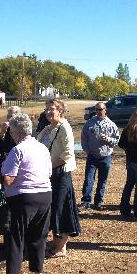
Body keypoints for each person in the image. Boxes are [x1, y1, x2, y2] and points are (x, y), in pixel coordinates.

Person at [0, 113, 52, 274]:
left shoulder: (18, 149)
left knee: (17, 237)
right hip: (44, 194)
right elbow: (49, 172)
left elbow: (8, 180)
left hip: (24, 198)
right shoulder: (42, 148)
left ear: (16, 132)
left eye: (11, 133)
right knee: (39, 236)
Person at [38, 99, 80, 258]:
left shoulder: (64, 127)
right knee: (53, 208)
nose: (48, 112)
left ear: (61, 111)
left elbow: (68, 155)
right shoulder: (48, 128)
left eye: (52, 109)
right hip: (49, 175)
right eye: (46, 109)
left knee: (60, 209)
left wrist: (49, 167)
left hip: (60, 175)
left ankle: (60, 247)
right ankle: (56, 243)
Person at [79, 102, 120, 211]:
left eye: (100, 109)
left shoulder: (111, 125)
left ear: (105, 110)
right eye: (97, 109)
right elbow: (84, 138)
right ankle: (86, 202)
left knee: (102, 180)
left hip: (105, 157)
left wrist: (108, 139)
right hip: (92, 156)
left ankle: (98, 202)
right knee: (88, 180)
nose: (98, 111)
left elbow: (117, 140)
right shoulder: (90, 123)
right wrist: (86, 150)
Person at [0, 106, 21, 174]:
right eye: (8, 116)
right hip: (3, 169)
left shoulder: (21, 132)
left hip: (16, 169)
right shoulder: (6, 130)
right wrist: (2, 133)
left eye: (11, 116)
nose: (9, 119)